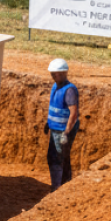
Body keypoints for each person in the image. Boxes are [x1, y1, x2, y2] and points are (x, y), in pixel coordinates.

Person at [44, 58, 80, 192]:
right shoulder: (55, 86)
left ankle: (59, 188)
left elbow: (73, 113)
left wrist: (66, 133)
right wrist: (48, 123)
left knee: (59, 158)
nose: (53, 76)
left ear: (64, 73)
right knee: (54, 157)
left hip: (63, 130)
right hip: (55, 128)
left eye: (55, 73)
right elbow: (54, 106)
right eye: (52, 73)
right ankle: (60, 186)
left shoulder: (69, 90)